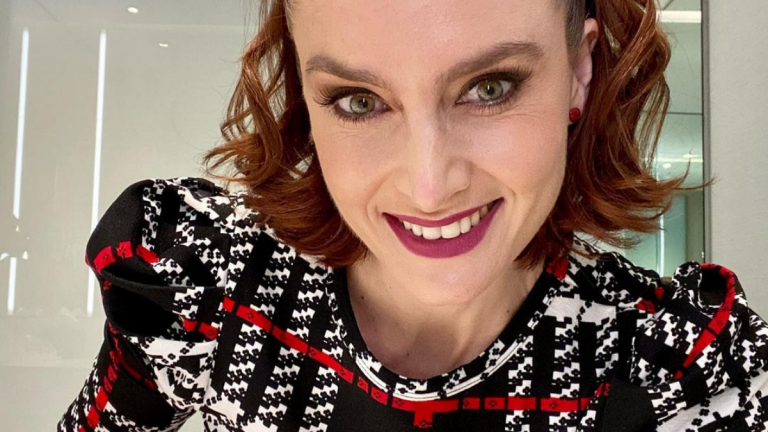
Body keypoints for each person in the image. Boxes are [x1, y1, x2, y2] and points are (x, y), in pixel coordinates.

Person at [57, 0, 768, 430]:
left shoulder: (676, 368)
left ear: (579, 70)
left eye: (490, 87)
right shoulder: (207, 283)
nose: (429, 187)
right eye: (359, 100)